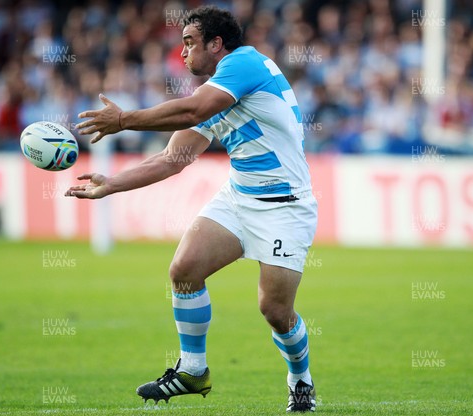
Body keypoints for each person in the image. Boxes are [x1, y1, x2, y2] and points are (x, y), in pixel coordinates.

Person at [66, 5, 318, 413]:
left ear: (217, 44)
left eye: (189, 43)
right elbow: (172, 159)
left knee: (274, 310)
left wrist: (125, 120)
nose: (182, 53)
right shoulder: (218, 91)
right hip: (240, 198)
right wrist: (111, 184)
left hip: (285, 207)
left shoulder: (244, 64)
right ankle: (193, 370)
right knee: (184, 270)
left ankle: (300, 378)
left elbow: (193, 110)